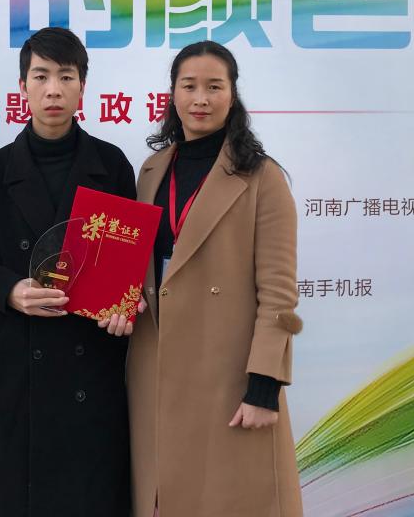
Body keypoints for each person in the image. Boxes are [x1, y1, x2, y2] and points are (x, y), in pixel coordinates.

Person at [0, 27, 137, 517]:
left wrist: (126, 305)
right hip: (18, 376)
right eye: (41, 76)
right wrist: (9, 290)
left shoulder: (112, 166)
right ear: (23, 87)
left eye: (66, 77)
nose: (54, 89)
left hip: (92, 370)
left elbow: (129, 263)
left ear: (82, 87)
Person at [127, 41, 304, 517]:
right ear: (172, 93)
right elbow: (142, 267)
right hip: (156, 365)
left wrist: (264, 385)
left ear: (233, 94)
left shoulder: (262, 177)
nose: (200, 99)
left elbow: (279, 295)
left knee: (230, 500)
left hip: (228, 371)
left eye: (214, 87)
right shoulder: (151, 171)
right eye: (189, 86)